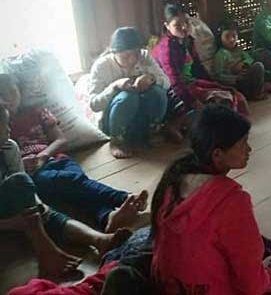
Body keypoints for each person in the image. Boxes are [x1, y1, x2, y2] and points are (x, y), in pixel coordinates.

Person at [151, 104, 271, 295]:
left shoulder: (173, 179)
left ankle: (267, 260)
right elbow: (253, 287)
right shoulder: (231, 200)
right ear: (217, 155)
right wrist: (268, 271)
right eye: (243, 143)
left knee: (256, 241)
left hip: (170, 287)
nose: (249, 149)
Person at [0, 74, 148, 234]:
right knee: (68, 182)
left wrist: (43, 156)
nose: (9, 98)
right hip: (33, 173)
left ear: (20, 91)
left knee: (74, 186)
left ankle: (109, 216)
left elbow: (61, 140)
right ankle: (124, 198)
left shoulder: (37, 111)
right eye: (2, 94)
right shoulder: (2, 125)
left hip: (58, 159)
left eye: (12, 91)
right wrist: (22, 165)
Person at [0, 106, 133, 278]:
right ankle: (46, 252)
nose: (9, 128)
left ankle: (98, 240)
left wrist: (39, 205)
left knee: (42, 211)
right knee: (24, 190)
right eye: (4, 124)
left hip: (14, 202)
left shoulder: (9, 147)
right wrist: (13, 223)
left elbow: (24, 182)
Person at [153, 4, 250, 124]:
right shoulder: (166, 49)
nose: (184, 27)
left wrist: (213, 84)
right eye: (177, 25)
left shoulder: (187, 40)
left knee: (232, 94)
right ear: (167, 26)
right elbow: (174, 82)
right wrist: (194, 102)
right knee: (221, 101)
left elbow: (197, 67)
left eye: (186, 22)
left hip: (190, 83)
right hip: (173, 91)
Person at [89, 27, 171, 159]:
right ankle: (116, 141)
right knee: (128, 97)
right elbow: (94, 105)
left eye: (136, 54)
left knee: (158, 92)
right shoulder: (102, 66)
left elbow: (167, 82)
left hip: (138, 117)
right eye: (126, 56)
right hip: (112, 120)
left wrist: (151, 78)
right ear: (114, 52)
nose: (132, 60)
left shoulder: (144, 56)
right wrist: (115, 87)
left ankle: (150, 131)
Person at [213, 22, 271, 101]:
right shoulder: (221, 54)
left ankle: (263, 85)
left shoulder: (238, 50)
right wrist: (236, 78)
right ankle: (258, 92)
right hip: (237, 83)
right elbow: (218, 76)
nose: (231, 39)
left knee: (263, 58)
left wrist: (244, 64)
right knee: (258, 66)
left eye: (234, 36)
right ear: (220, 38)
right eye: (227, 37)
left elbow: (249, 59)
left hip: (246, 76)